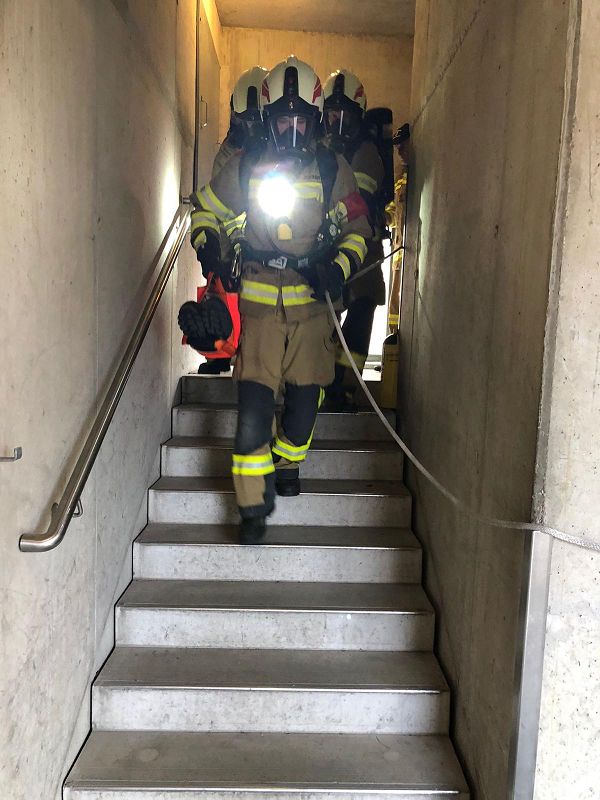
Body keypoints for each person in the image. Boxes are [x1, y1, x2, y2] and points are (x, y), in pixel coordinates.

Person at [188, 56, 371, 544]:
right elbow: (205, 209)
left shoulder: (332, 169)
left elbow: (358, 228)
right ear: (269, 119)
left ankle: (288, 462)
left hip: (312, 309)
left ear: (314, 120)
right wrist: (208, 244)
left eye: (301, 120)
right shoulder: (247, 166)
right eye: (283, 119)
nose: (292, 129)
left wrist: (338, 267)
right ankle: (252, 507)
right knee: (252, 413)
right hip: (260, 311)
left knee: (304, 407)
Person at [196, 65, 268, 376]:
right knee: (221, 285)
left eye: (256, 121)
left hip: (267, 234)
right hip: (232, 236)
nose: (250, 129)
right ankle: (219, 354)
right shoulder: (228, 154)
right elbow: (219, 204)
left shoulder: (280, 154)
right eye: (244, 121)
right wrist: (216, 246)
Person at [321, 69, 386, 410]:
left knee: (362, 306)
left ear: (357, 115)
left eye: (345, 113)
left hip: (363, 246)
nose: (338, 121)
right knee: (323, 314)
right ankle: (319, 383)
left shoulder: (366, 154)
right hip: (325, 246)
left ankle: (343, 387)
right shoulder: (318, 151)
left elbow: (357, 201)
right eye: (333, 113)